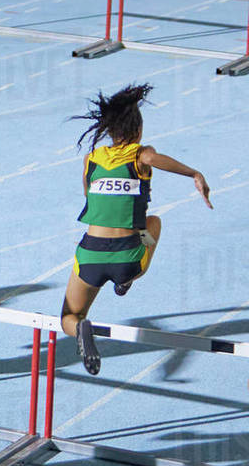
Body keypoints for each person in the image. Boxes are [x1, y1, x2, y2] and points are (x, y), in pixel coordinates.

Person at [60, 83, 211, 375]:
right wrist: (194, 173)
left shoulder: (90, 159)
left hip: (90, 254)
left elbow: (90, 197)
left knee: (70, 315)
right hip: (128, 258)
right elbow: (154, 159)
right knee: (153, 222)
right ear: (138, 130)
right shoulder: (142, 155)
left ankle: (81, 330)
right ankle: (125, 280)